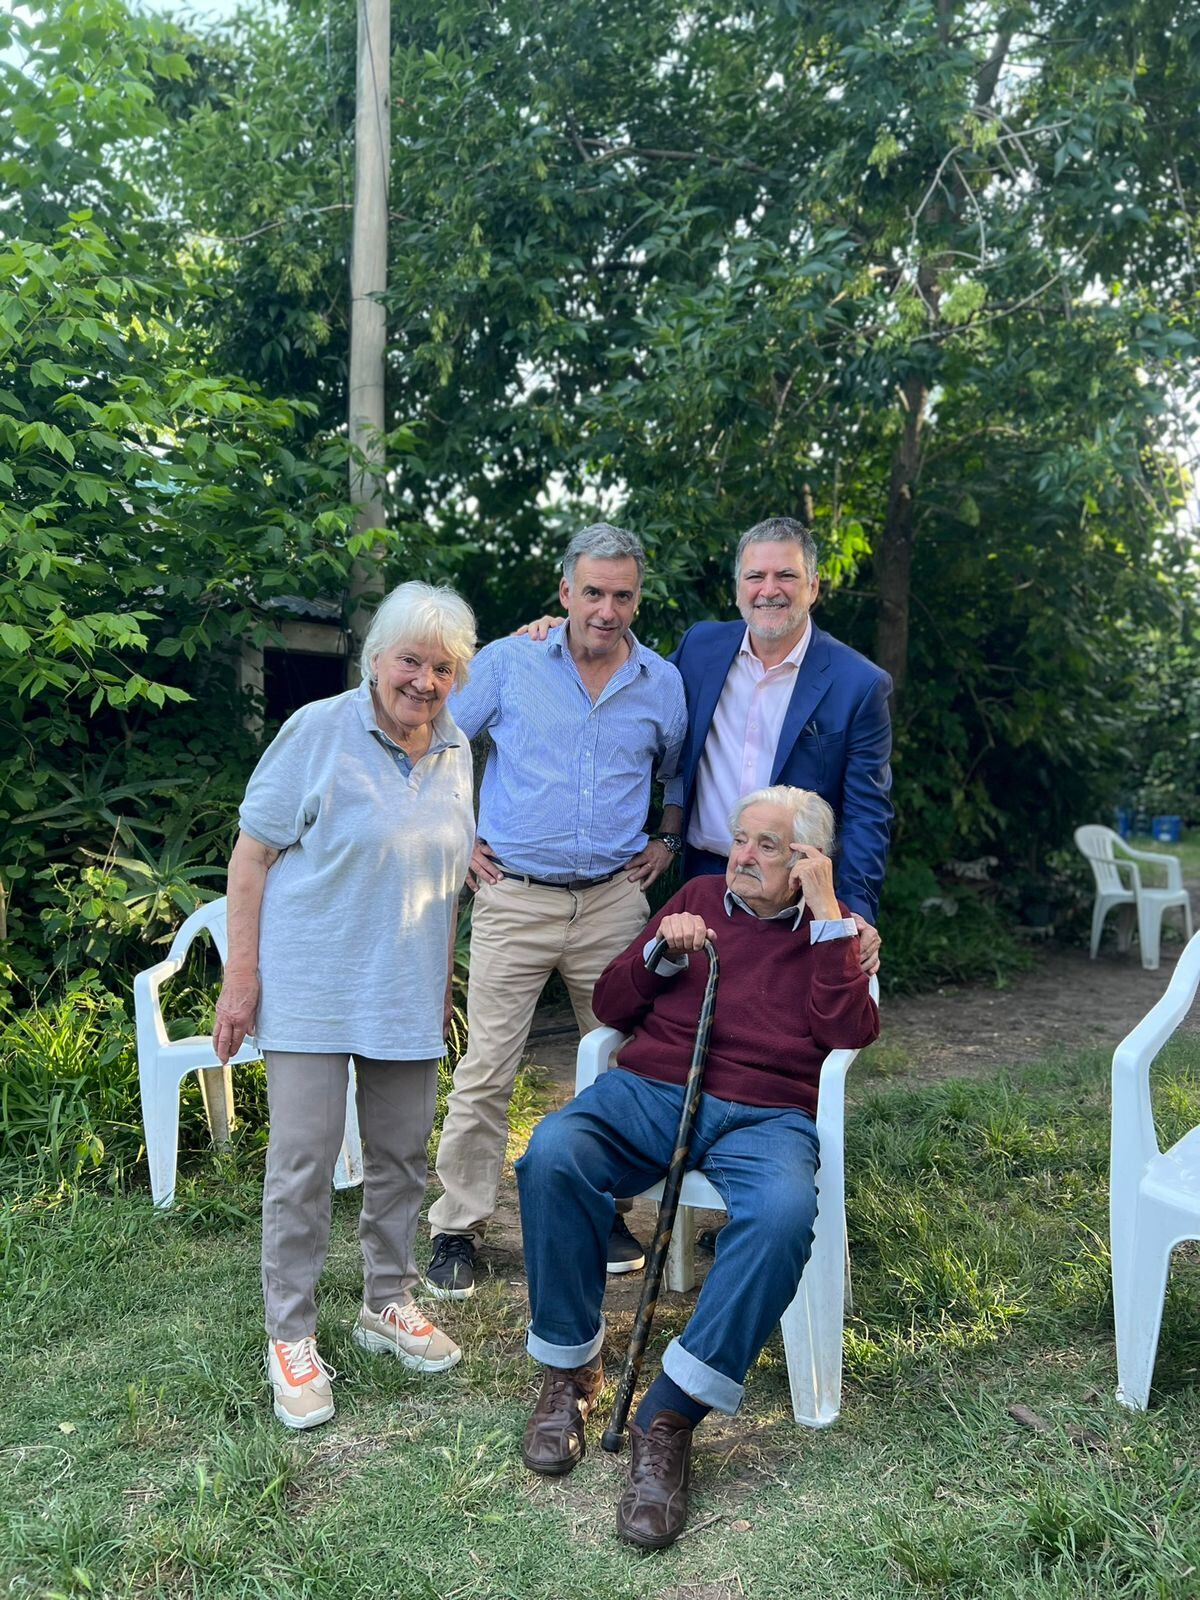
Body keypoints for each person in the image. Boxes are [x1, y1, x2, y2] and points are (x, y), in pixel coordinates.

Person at [514, 786, 879, 1549]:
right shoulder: (697, 897)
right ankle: (572, 1370)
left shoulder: (835, 930)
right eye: (740, 839)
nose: (743, 856)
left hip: (768, 1113)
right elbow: (613, 1007)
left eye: (768, 846)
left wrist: (830, 920)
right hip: (652, 1090)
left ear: (809, 860)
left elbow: (847, 1028)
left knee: (782, 1217)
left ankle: (671, 1413)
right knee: (552, 1154)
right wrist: (658, 951)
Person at [212, 581, 477, 1431]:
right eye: (411, 661)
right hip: (314, 989)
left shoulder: (458, 751)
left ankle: (386, 1302)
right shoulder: (317, 731)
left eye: (442, 668)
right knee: (302, 1167)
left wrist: (440, 992)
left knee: (402, 1159)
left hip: (404, 993)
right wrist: (241, 982)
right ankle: (290, 1335)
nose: (425, 681)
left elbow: (443, 889)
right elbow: (250, 859)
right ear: (376, 660)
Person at [424, 523, 688, 1299]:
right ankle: (457, 1227)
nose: (607, 609)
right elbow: (437, 745)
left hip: (612, 902)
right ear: (566, 591)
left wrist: (666, 844)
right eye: (593, 591)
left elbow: (678, 774)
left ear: (637, 598)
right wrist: (458, 840)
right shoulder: (508, 663)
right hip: (515, 896)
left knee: (621, 1065)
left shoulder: (661, 682)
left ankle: (607, 1208)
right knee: (486, 1069)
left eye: (623, 594)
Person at [521, 515, 892, 966]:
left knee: (785, 1025)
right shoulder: (701, 648)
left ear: (813, 587)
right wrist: (560, 632)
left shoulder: (858, 684)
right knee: (696, 1017)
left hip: (793, 894)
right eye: (755, 576)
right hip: (705, 879)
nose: (768, 589)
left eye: (786, 575)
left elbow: (867, 814)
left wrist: (856, 911)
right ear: (738, 588)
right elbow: (629, 687)